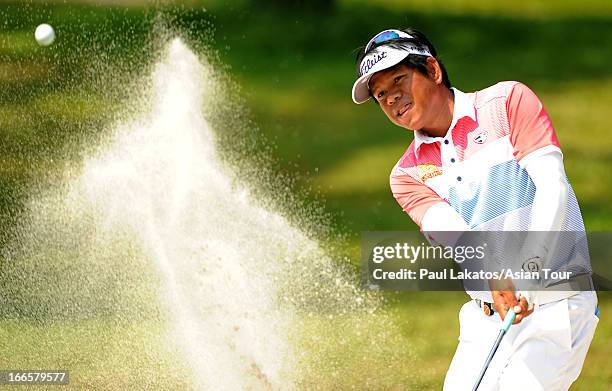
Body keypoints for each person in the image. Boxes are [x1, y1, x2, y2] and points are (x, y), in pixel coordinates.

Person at [351, 28, 599, 390]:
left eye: (399, 80)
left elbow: (553, 187)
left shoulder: (507, 103)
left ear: (433, 70)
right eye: (381, 94)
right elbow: (463, 239)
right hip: (486, 319)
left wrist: (531, 266)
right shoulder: (406, 175)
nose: (391, 98)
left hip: (558, 304)